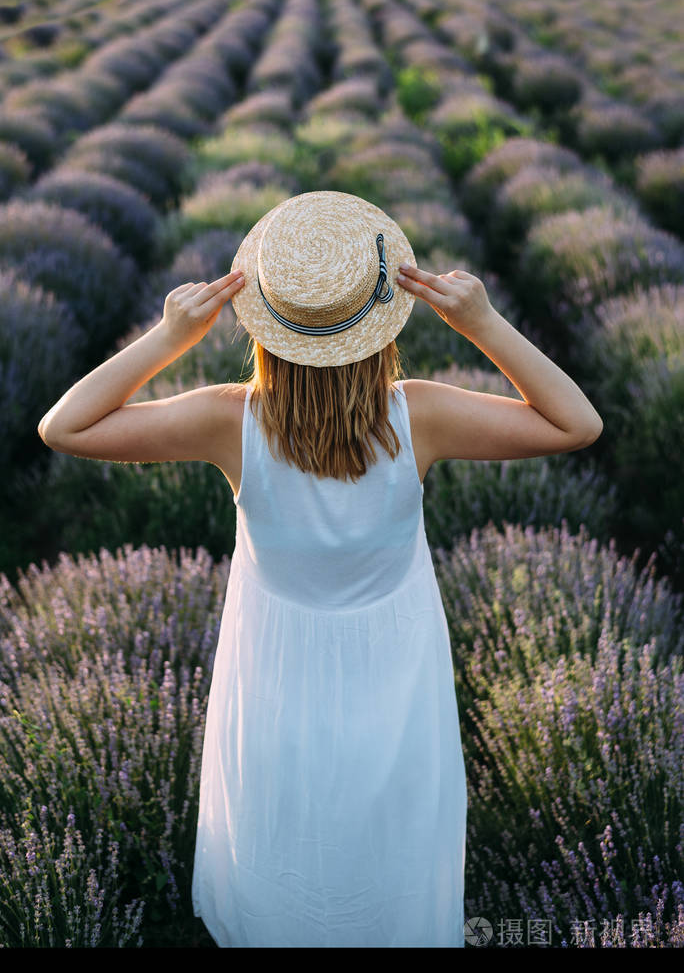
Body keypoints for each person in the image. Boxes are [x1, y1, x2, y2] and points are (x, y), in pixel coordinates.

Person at [37, 190, 603, 948]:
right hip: (396, 676)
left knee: (283, 847)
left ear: (265, 324)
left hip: (275, 675)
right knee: (392, 853)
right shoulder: (420, 415)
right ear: (380, 326)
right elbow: (578, 422)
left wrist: (170, 337)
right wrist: (483, 324)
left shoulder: (228, 420)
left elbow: (64, 425)